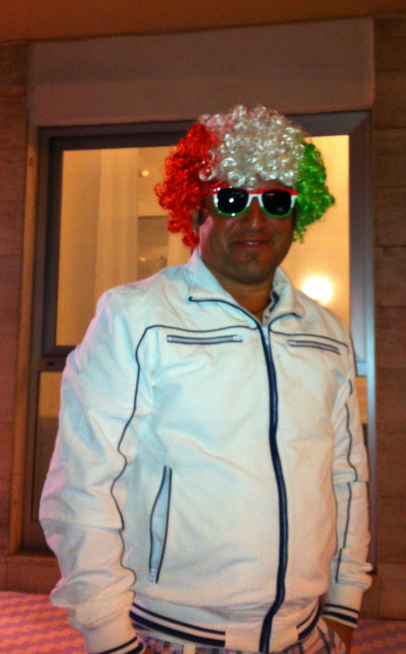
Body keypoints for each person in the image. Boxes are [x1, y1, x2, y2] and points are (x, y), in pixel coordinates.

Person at [40, 105, 372, 654]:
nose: (256, 219)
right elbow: (83, 483)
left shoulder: (326, 333)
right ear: (196, 213)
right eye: (232, 199)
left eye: (276, 200)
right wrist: (108, 636)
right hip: (173, 636)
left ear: (298, 214)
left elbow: (347, 479)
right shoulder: (135, 318)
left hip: (307, 634)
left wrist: (343, 605)